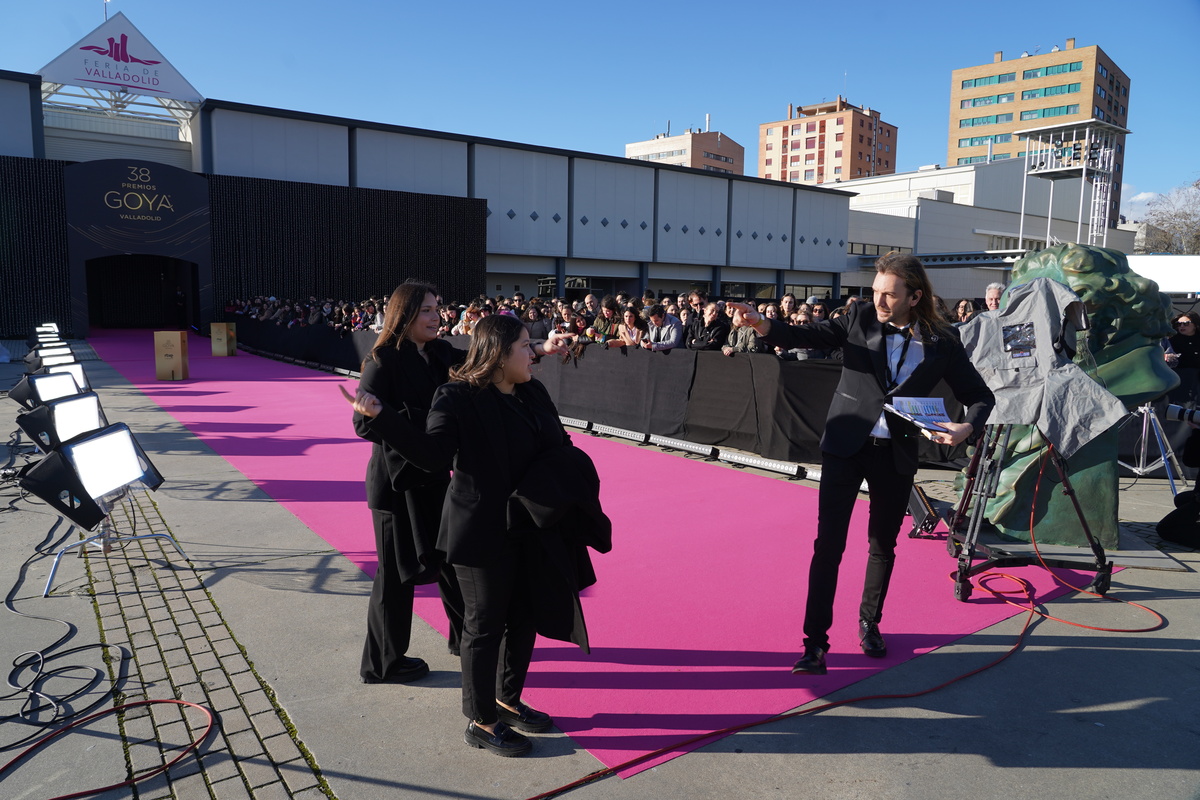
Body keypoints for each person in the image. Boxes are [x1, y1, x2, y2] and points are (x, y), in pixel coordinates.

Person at [342, 315, 606, 757]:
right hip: (480, 531)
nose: (531, 353)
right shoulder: (456, 396)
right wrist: (381, 415)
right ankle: (482, 720)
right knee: (484, 627)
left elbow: (558, 445)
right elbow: (431, 455)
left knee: (524, 617)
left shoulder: (532, 392)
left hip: (529, 524)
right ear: (500, 354)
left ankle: (507, 699)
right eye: (524, 346)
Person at [729, 252, 994, 675]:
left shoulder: (943, 340)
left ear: (915, 296)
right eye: (875, 293)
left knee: (882, 546)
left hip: (897, 453)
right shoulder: (859, 318)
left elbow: (981, 396)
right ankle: (814, 644)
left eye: (889, 295)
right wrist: (761, 324)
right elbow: (810, 335)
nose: (879, 301)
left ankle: (870, 623)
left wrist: (965, 429)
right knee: (828, 546)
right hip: (845, 446)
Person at [1169, 313, 1200, 406]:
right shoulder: (1173, 340)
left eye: (1186, 323)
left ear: (1195, 325)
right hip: (1182, 377)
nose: (1182, 326)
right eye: (1179, 324)